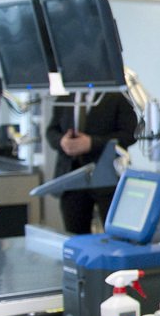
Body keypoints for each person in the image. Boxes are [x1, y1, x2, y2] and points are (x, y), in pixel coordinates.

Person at [45, 91, 136, 233]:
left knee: (115, 235)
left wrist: (92, 143)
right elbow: (51, 131)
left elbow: (130, 134)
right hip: (71, 177)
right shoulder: (65, 96)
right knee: (75, 236)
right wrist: (61, 142)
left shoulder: (116, 95)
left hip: (107, 177)